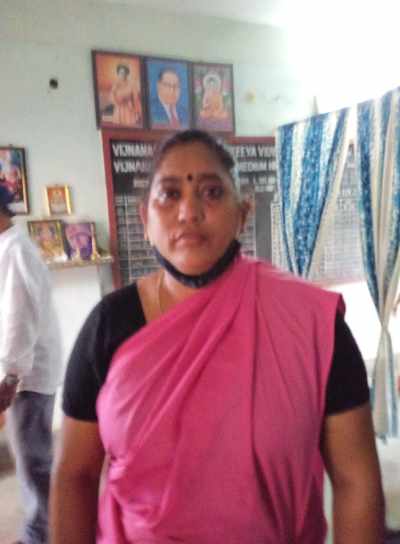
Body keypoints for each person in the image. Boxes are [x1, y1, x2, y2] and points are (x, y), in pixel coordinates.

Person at [50, 129, 384, 543]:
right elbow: (75, 474)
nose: (189, 212)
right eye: (169, 195)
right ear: (145, 220)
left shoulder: (313, 325)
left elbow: (355, 479)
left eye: (211, 192)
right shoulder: (108, 327)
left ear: (242, 213)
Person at [0, 185, 62, 544]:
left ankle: (41, 534)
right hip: (27, 372)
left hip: (28, 377)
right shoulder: (10, 247)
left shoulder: (14, 251)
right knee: (31, 457)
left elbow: (18, 320)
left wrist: (10, 377)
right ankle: (41, 529)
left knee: (32, 461)